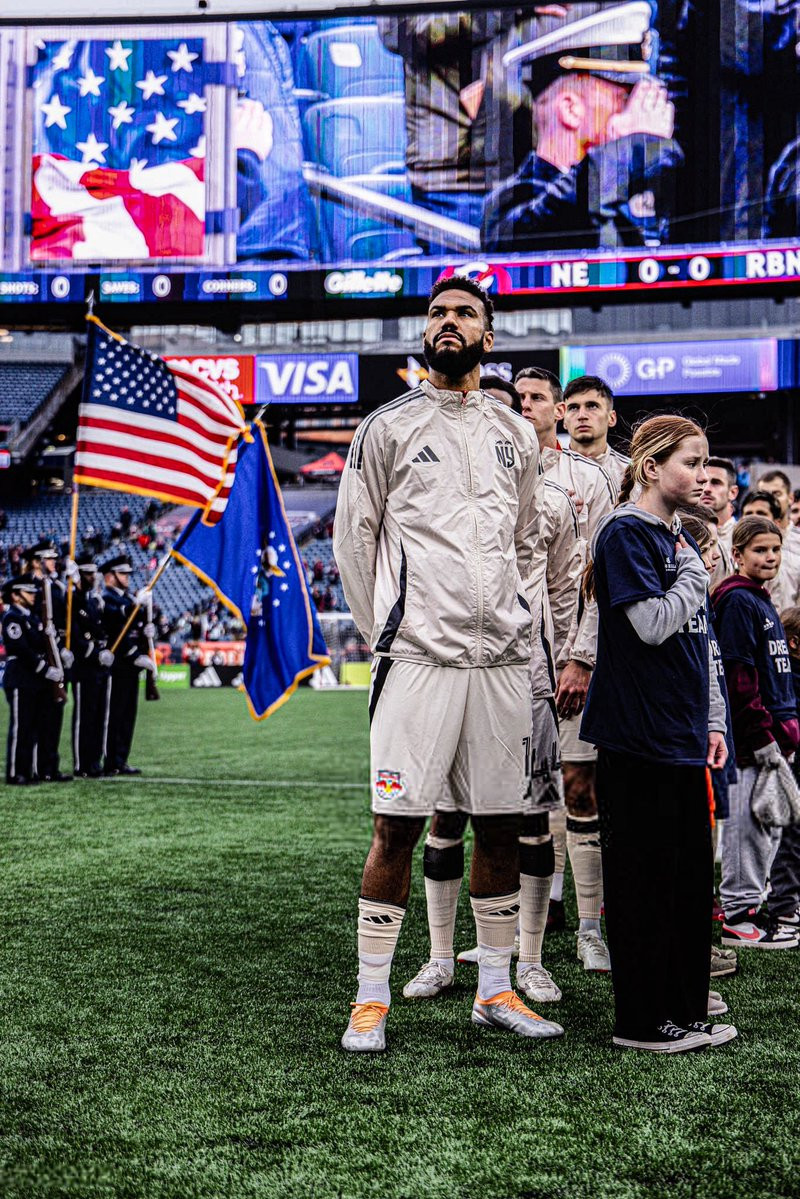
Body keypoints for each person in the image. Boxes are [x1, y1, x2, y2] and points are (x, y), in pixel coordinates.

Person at [333, 277, 563, 1052]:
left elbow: (526, 538)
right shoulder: (387, 426)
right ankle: (370, 998)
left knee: (501, 825)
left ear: (487, 337)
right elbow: (353, 539)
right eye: (437, 313)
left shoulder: (515, 432)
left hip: (500, 658)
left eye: (464, 313)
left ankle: (495, 987)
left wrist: (516, 617)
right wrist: (390, 630)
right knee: (396, 827)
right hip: (418, 656)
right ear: (425, 333)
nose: (448, 322)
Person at [580, 413, 736, 1052]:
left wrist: (712, 718)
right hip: (637, 736)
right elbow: (651, 626)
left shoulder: (673, 535)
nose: (703, 476)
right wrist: (696, 577)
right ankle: (642, 1022)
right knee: (643, 882)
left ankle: (683, 1008)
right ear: (650, 467)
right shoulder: (625, 532)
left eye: (706, 464)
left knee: (687, 882)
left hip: (680, 735)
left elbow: (699, 643)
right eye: (691, 463)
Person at [516, 364, 614, 972]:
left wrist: (581, 655)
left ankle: (589, 929)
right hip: (510, 662)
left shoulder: (590, 478)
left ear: (555, 409)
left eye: (536, 398)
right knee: (529, 800)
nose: (525, 406)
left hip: (571, 660)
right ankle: (524, 939)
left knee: (579, 788)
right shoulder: (495, 470)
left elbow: (601, 574)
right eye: (519, 398)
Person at [483, 4, 683, 252]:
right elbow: (555, 226)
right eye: (625, 99)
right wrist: (626, 150)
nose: (643, 112)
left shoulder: (629, 191)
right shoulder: (510, 204)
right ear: (570, 109)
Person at [712, 516, 800, 949]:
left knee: (768, 826)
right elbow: (739, 678)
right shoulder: (737, 600)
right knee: (746, 827)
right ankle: (737, 916)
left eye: (775, 550)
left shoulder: (760, 599)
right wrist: (763, 736)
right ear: (738, 554)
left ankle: (749, 904)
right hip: (751, 742)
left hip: (773, 738)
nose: (770, 557)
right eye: (760, 550)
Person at [101, 555, 155, 777]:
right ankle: (110, 760)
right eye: (122, 574)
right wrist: (134, 654)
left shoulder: (126, 598)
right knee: (115, 714)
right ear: (109, 576)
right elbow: (116, 624)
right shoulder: (107, 597)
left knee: (127, 715)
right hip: (118, 665)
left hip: (131, 666)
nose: (127, 577)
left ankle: (121, 758)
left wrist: (148, 630)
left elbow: (137, 623)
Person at [1, 575, 57, 785]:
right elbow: (20, 649)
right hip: (20, 678)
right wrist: (44, 669)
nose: (33, 596)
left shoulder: (32, 618)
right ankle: (15, 772)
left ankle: (29, 770)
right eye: (28, 592)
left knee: (33, 727)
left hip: (34, 680)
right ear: (16, 595)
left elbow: (40, 645)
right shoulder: (12, 617)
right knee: (21, 727)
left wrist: (50, 636)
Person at [23, 539, 71, 782]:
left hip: (57, 652)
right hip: (42, 655)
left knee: (54, 714)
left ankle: (50, 765)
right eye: (48, 558)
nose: (54, 561)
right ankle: (34, 766)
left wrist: (75, 584)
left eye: (54, 558)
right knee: (39, 716)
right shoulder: (30, 587)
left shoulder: (57, 585)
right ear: (36, 561)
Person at [767, 604, 800, 928]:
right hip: (790, 768)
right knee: (791, 838)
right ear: (793, 642)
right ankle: (784, 906)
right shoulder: (789, 678)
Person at [70, 553, 114, 779]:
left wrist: (103, 649)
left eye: (93, 573)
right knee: (84, 717)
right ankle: (81, 763)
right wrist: (95, 652)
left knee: (98, 717)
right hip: (83, 666)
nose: (93, 577)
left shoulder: (92, 602)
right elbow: (76, 634)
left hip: (98, 667)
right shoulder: (74, 600)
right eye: (87, 573)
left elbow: (99, 630)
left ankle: (94, 761)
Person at [561, 374, 629, 490]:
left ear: (611, 418)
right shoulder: (546, 469)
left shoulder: (630, 473)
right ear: (564, 421)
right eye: (573, 408)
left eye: (592, 406)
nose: (582, 416)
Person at [700, 456, 738, 584]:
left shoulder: (746, 537)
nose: (707, 489)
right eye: (703, 482)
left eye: (716, 483)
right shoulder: (683, 533)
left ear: (733, 492)